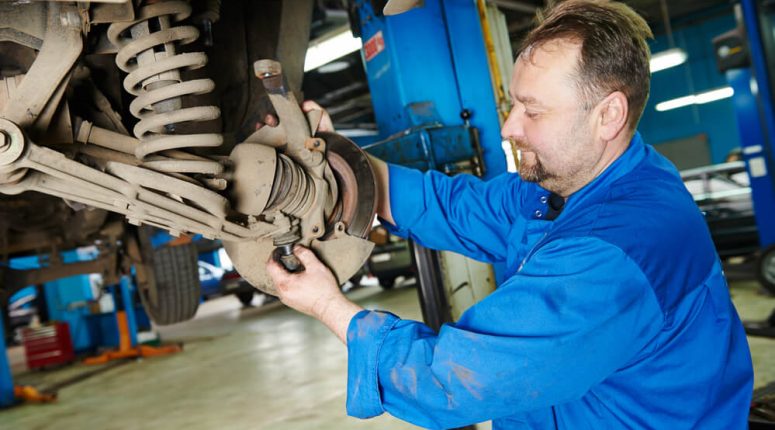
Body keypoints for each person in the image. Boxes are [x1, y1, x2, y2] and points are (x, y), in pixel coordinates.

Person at [267, 1, 754, 428]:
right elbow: (455, 208)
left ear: (609, 115)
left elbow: (453, 381)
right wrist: (340, 161)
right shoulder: (574, 185)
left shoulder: (616, 251)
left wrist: (328, 307)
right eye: (512, 103)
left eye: (533, 110)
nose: (509, 125)